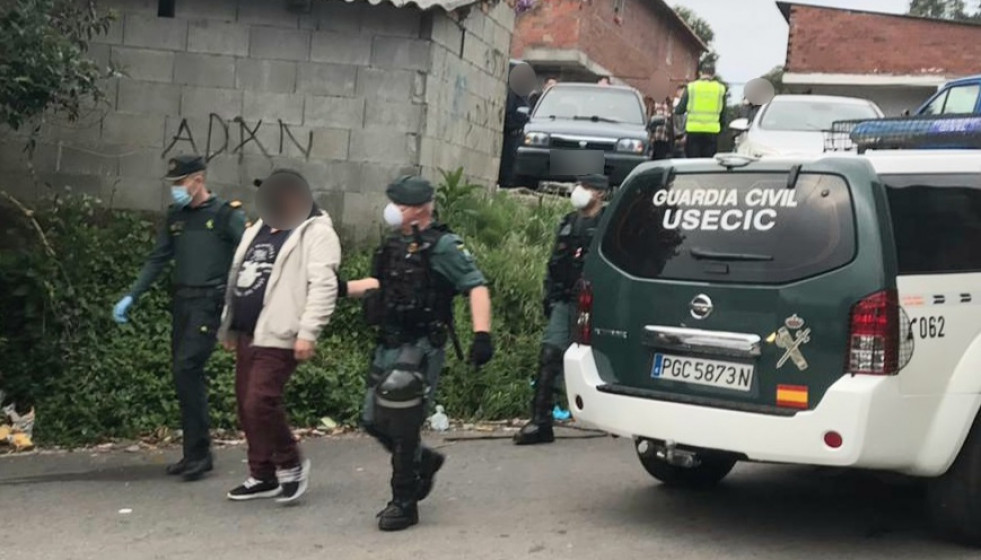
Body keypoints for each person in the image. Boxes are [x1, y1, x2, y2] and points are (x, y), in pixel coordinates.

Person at [338, 175, 495, 531]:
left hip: (421, 346)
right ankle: (424, 461)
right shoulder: (395, 244)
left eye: (402, 205)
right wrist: (342, 287)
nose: (393, 210)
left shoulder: (443, 247)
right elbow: (378, 284)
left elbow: (476, 286)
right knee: (372, 419)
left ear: (421, 209)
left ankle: (404, 502)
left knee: (404, 424)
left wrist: (481, 335)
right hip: (388, 342)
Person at [112, 155, 246, 481]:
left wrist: (243, 306)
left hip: (209, 302)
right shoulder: (176, 217)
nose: (175, 188)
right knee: (183, 376)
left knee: (188, 367)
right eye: (173, 183)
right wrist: (133, 294)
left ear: (198, 180)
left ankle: (200, 455)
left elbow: (249, 256)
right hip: (182, 303)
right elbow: (158, 259)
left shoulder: (226, 215)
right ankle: (194, 453)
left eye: (180, 181)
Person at [218, 169, 341, 504]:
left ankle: (291, 463)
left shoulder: (315, 233)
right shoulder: (258, 228)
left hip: (281, 332)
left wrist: (308, 332)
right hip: (248, 331)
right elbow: (237, 276)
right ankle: (262, 474)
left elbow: (324, 285)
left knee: (260, 401)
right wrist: (228, 324)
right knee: (246, 406)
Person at [514, 174, 609, 446]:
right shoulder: (568, 223)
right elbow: (554, 263)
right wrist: (549, 296)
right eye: (580, 186)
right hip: (565, 300)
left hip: (596, 305)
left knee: (600, 360)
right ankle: (541, 421)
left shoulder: (607, 224)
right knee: (550, 353)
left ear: (600, 194)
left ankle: (608, 416)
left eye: (587, 187)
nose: (580, 191)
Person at [674, 65, 727, 158]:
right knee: (707, 163)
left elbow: (679, 110)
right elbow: (723, 113)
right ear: (713, 74)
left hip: (693, 130)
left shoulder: (691, 87)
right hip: (712, 132)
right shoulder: (720, 89)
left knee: (693, 162)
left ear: (700, 73)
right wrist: (721, 127)